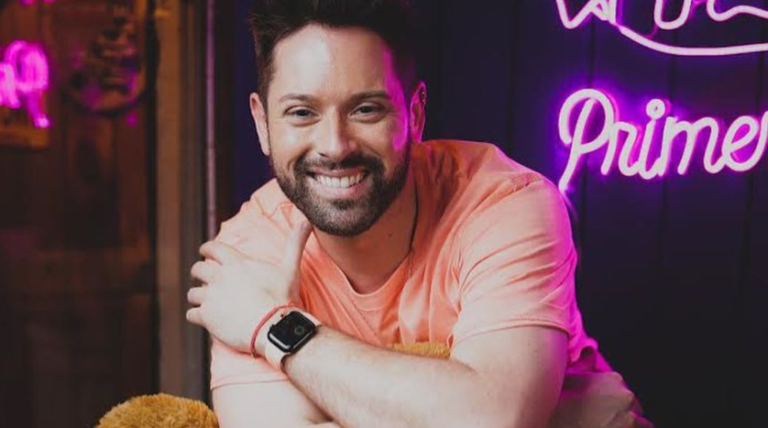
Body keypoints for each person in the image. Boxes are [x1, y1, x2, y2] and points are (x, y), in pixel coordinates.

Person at [185, 1, 653, 427]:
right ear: (262, 123)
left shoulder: (507, 204)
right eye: (302, 113)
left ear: (416, 112)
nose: (335, 145)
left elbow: (493, 418)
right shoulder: (247, 254)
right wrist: (554, 419)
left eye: (366, 109)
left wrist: (275, 326)